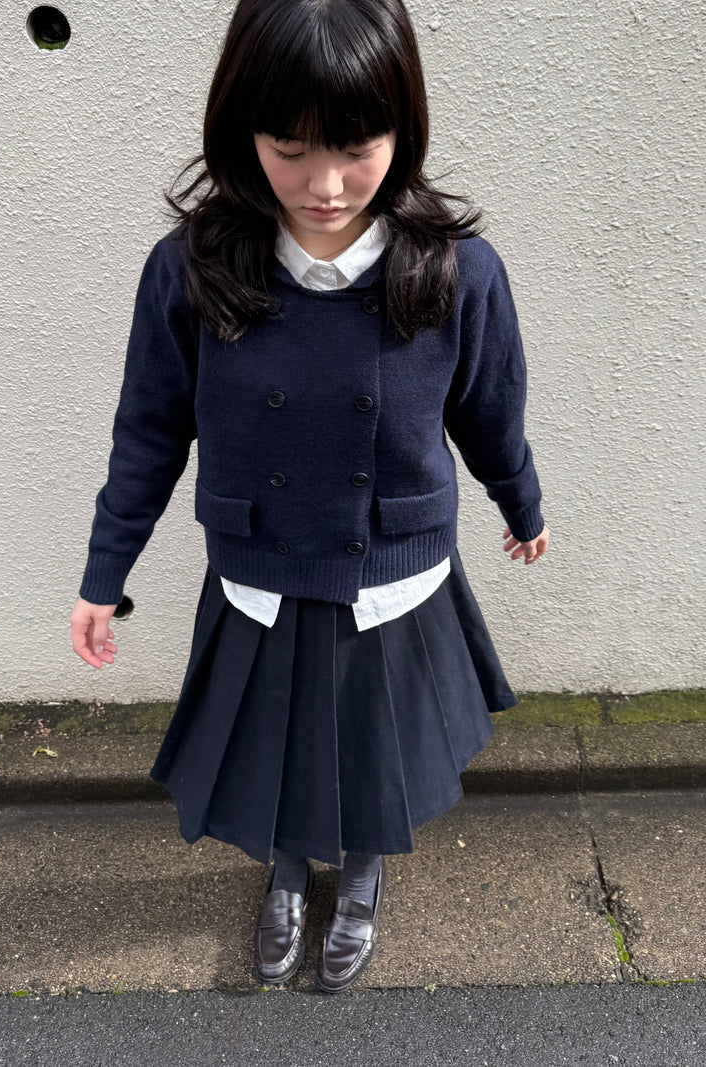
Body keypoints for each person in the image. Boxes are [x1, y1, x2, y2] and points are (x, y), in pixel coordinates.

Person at [70, 0, 549, 994]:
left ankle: (362, 876)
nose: (324, 186)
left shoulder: (458, 271)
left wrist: (521, 503)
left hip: (394, 573)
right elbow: (149, 431)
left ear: (401, 129)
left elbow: (489, 410)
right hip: (261, 569)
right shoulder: (191, 269)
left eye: (356, 148)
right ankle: (286, 876)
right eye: (290, 150)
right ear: (241, 129)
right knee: (275, 745)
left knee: (374, 750)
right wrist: (103, 573)